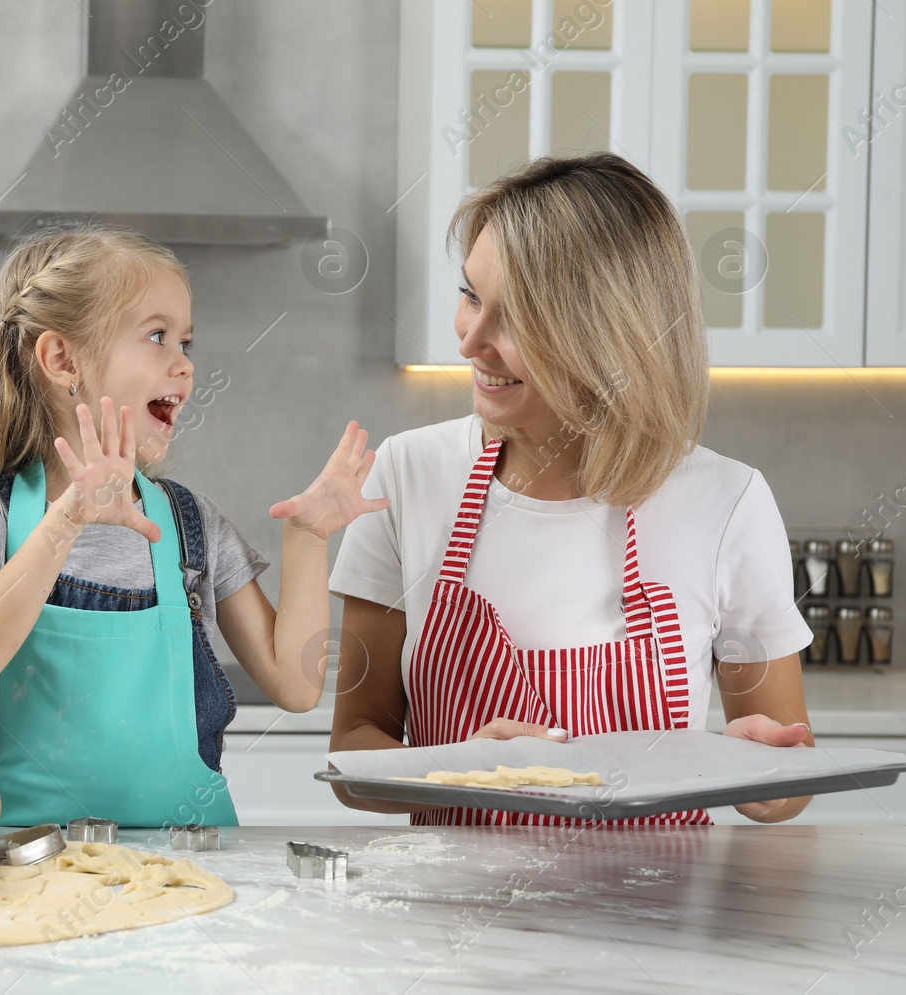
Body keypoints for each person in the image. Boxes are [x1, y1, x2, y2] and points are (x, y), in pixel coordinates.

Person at [328, 153, 813, 826]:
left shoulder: (728, 501)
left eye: (516, 318)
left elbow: (788, 777)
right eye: (470, 295)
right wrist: (459, 769)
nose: (470, 340)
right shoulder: (408, 475)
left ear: (611, 337)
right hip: (448, 921)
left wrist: (764, 776)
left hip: (649, 923)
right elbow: (352, 756)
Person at [0, 225, 386, 828]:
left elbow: (294, 686)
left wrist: (310, 537)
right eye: (156, 336)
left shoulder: (193, 526)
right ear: (63, 359)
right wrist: (70, 518)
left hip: (191, 864)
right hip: (30, 867)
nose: (184, 364)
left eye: (186, 340)